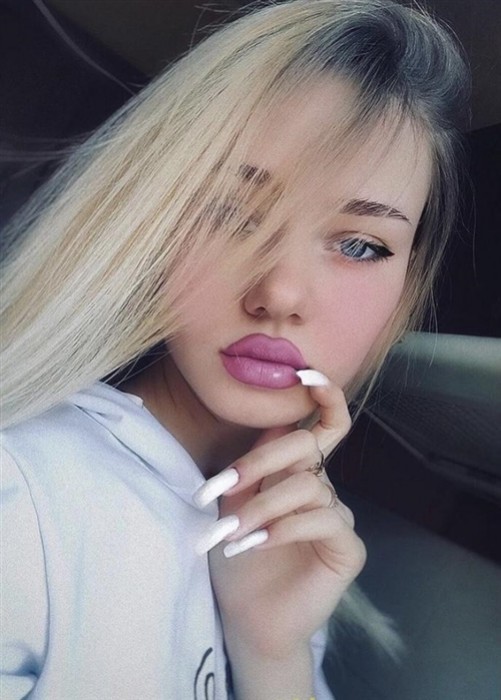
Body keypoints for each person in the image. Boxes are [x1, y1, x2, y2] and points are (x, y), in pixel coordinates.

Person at [0, 0, 470, 698]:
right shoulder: (21, 494)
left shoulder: (288, 536)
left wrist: (271, 654)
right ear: (151, 218)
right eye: (228, 212)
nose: (280, 292)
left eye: (358, 245)